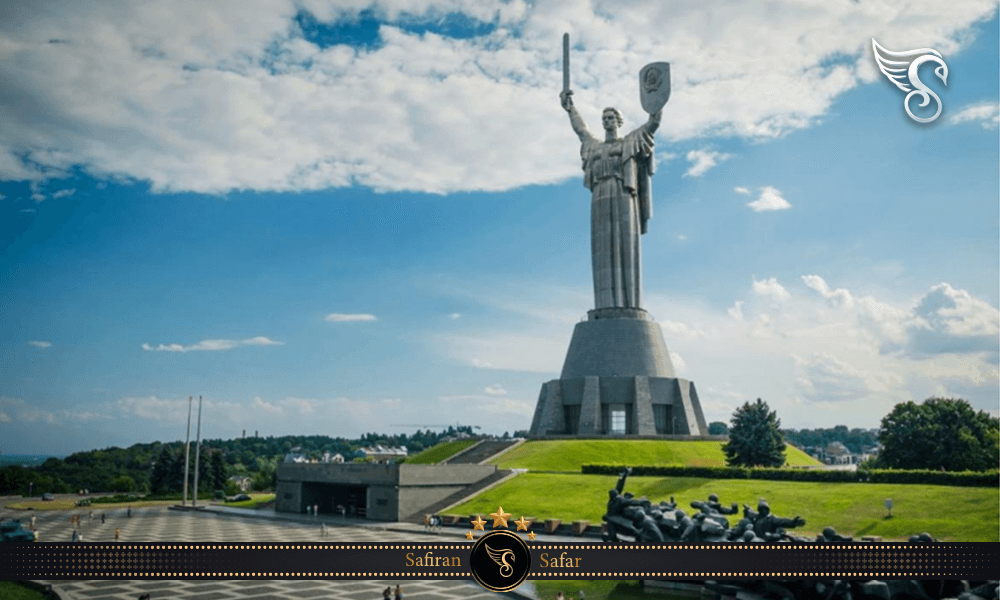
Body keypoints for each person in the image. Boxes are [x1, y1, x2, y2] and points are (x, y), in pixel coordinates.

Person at [560, 90, 661, 310]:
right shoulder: (594, 146)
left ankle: (630, 304)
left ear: (618, 121)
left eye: (611, 118)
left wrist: (656, 102)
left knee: (626, 245)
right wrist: (571, 109)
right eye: (604, 118)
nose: (607, 121)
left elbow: (652, 125)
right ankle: (605, 305)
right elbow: (580, 130)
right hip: (599, 198)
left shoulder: (629, 141)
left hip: (624, 194)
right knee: (603, 250)